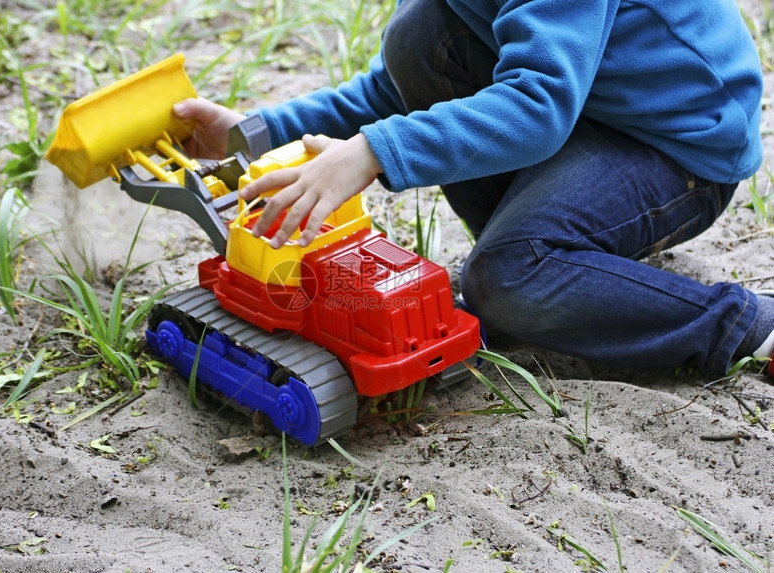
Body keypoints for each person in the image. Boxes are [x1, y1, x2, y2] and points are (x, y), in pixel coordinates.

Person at [172, 0, 774, 378]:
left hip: (675, 144)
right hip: (591, 106)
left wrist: (372, 154)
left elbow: (539, 104)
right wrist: (253, 133)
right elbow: (398, 83)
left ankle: (747, 325)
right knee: (421, 32)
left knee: (507, 278)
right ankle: (548, 253)